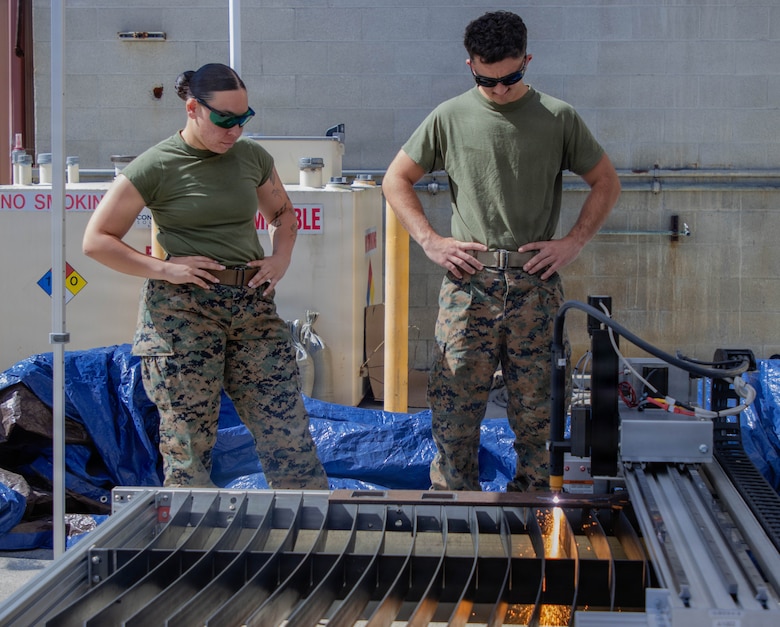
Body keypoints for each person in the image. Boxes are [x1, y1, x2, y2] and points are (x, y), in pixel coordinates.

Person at [382, 11, 621, 492]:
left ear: (527, 61)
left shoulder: (557, 118)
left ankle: (535, 511)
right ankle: (454, 513)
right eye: (487, 80)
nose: (500, 89)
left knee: (540, 414)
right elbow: (395, 179)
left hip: (534, 286)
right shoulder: (449, 117)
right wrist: (431, 240)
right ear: (469, 65)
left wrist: (572, 242)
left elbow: (605, 182)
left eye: (511, 77)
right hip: (470, 286)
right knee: (454, 412)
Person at [83, 63, 328, 490]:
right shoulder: (155, 165)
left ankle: (307, 537)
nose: (234, 130)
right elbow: (97, 239)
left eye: (244, 119)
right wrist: (164, 267)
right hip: (184, 314)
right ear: (193, 109)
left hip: (250, 306)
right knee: (189, 445)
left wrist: (280, 258)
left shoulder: (251, 157)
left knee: (286, 430)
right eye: (225, 120)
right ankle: (193, 548)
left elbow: (283, 214)